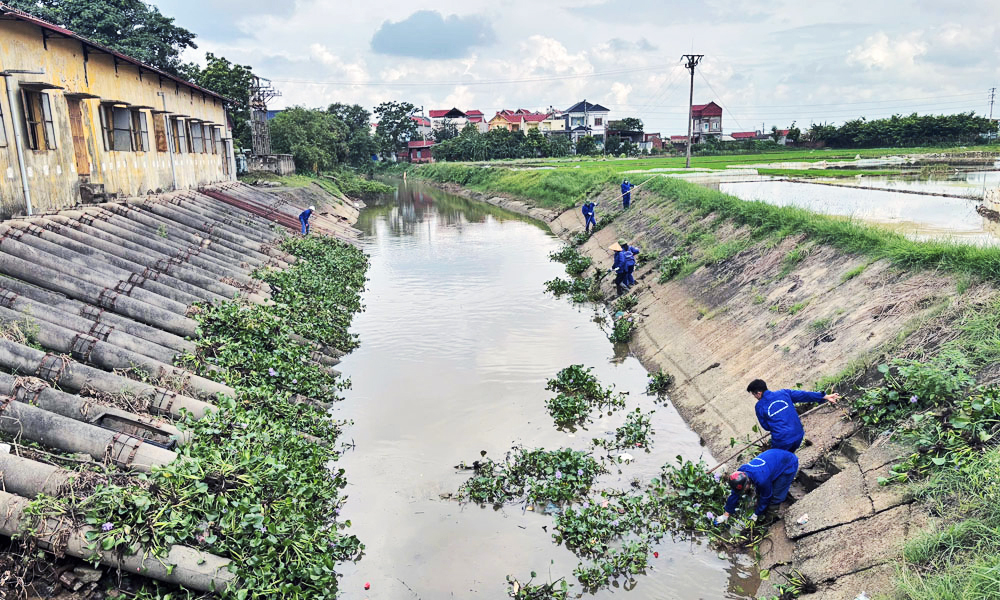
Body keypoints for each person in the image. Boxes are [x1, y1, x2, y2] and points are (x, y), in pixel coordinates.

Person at [747, 379, 841, 452]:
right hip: (798, 435)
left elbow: (766, 426)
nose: (755, 397)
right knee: (788, 457)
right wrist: (824, 396)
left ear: (758, 393)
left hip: (782, 441)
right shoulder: (784, 393)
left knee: (778, 462)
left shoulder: (759, 406)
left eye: (754, 395)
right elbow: (804, 395)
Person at [715, 448, 799, 524]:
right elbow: (735, 494)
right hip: (773, 457)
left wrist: (757, 514)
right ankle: (763, 509)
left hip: (789, 463)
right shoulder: (741, 472)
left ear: (747, 483)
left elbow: (766, 496)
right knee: (764, 487)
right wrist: (726, 513)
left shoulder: (761, 480)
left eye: (744, 489)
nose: (743, 491)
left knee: (776, 495)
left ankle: (771, 518)